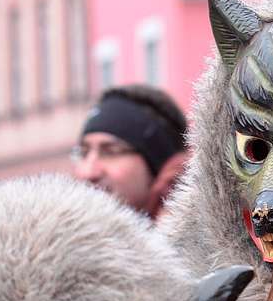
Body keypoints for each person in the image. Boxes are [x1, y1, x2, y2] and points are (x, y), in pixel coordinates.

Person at [71, 83, 188, 219]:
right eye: (83, 153)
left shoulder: (205, 237)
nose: (88, 172)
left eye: (111, 152)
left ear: (158, 168)